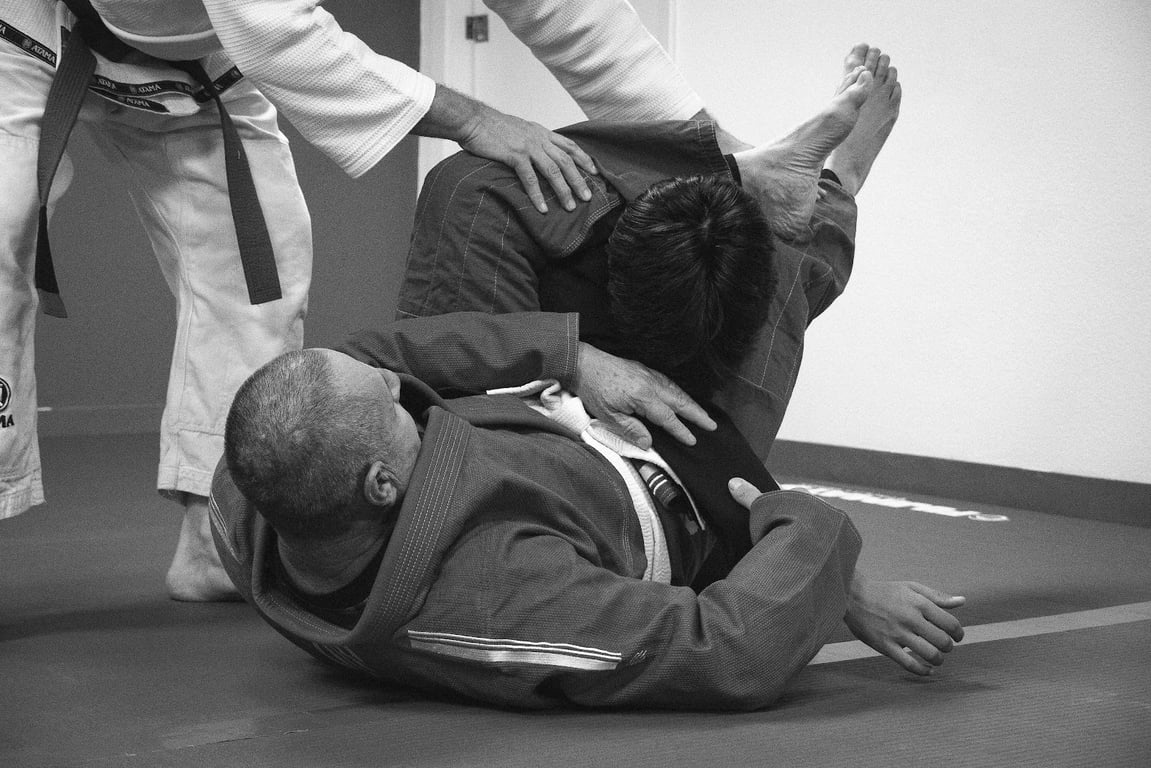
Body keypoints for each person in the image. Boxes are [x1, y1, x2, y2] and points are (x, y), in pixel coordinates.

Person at [0, 0, 711, 601]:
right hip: (30, 34)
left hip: (202, 66)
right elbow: (275, 27)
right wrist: (472, 119)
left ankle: (216, 542)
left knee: (262, 276)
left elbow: (566, 11)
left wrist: (708, 152)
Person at [209, 310, 965, 710]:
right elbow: (728, 651)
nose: (387, 376)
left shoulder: (258, 478)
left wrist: (570, 354)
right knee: (767, 280)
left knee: (482, 191)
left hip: (552, 414)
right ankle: (829, 194)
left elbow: (377, 351)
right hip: (692, 493)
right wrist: (805, 530)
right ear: (382, 486)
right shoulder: (498, 596)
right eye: (384, 398)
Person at [398, 44, 901, 458]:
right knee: (767, 260)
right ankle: (820, 184)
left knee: (475, 182)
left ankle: (763, 180)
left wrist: (568, 356)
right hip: (638, 467)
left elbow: (395, 354)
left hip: (516, 452)